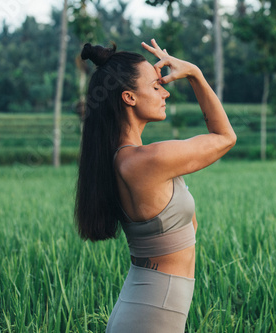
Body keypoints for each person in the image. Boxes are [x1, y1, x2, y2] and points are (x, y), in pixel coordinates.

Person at [74, 39, 236, 333]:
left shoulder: (129, 159)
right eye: (155, 86)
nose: (166, 92)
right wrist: (195, 74)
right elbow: (225, 137)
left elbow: (187, 229)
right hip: (151, 315)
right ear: (129, 97)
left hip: (152, 309)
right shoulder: (145, 161)